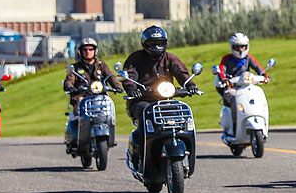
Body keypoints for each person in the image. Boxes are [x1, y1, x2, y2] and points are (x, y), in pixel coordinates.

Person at [123, 26, 202, 165]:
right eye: (153, 44)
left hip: (166, 100)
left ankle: (184, 147)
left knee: (181, 112)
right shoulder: (136, 58)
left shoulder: (170, 58)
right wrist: (132, 89)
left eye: (160, 43)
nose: (157, 47)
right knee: (144, 112)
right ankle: (143, 157)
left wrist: (191, 86)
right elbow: (130, 75)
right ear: (145, 44)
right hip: (142, 100)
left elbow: (181, 72)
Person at [215, 32, 269, 137]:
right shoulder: (227, 59)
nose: (240, 50)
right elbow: (222, 70)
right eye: (237, 47)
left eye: (243, 47)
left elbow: (258, 67)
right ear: (232, 47)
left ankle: (262, 124)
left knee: (257, 94)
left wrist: (264, 75)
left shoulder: (248, 58)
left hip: (247, 87)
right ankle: (236, 127)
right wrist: (224, 79)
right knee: (235, 98)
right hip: (232, 88)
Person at [63, 37, 122, 114]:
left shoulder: (102, 65)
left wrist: (117, 86)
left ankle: (110, 124)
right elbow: (69, 80)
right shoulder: (75, 68)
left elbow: (110, 76)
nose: (88, 52)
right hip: (82, 97)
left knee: (108, 106)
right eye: (85, 50)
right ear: (80, 51)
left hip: (101, 96)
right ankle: (80, 123)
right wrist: (70, 87)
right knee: (79, 103)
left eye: (90, 49)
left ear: (95, 51)